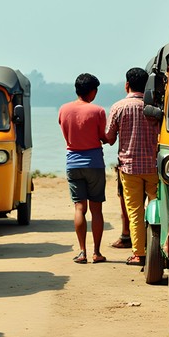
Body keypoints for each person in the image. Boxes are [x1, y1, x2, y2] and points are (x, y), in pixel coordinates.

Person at [104, 67, 159, 268]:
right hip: (153, 167)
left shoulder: (118, 107)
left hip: (129, 168)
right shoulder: (154, 107)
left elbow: (109, 138)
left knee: (135, 211)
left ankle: (139, 253)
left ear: (127, 84)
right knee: (158, 206)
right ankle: (161, 247)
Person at [57, 73, 108, 264]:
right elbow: (104, 136)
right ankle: (97, 252)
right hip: (94, 163)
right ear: (92, 91)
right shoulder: (98, 111)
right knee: (96, 209)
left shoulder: (63, 109)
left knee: (79, 207)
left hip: (73, 163)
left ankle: (82, 252)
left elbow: (65, 131)